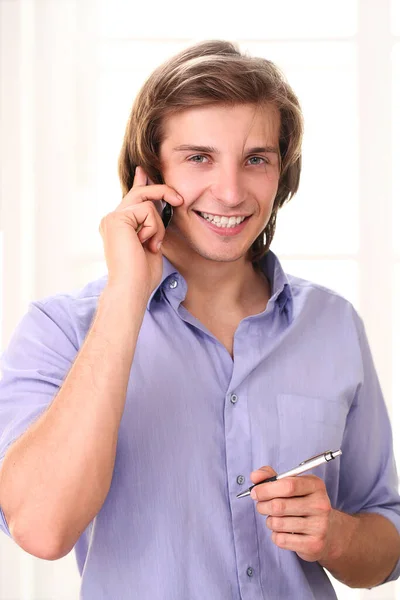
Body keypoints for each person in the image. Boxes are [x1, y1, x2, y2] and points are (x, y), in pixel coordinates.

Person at [0, 40, 399, 600]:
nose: (232, 192)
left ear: (281, 171)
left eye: (256, 158)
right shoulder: (60, 331)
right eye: (198, 158)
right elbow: (41, 529)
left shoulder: (333, 324)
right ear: (149, 173)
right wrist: (127, 295)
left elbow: (387, 538)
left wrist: (337, 537)